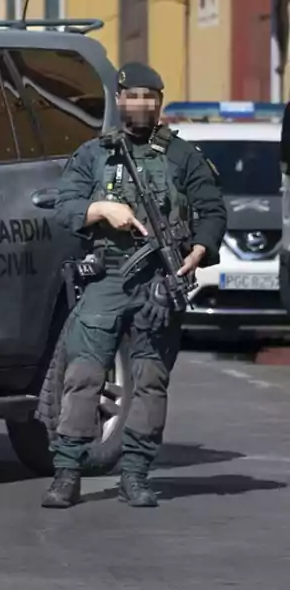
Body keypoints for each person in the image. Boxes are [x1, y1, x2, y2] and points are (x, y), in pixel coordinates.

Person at [43, 62, 226, 509]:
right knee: (83, 375)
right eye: (133, 96)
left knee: (149, 381)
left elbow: (213, 211)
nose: (141, 105)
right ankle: (67, 472)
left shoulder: (183, 156)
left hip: (160, 282)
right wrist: (104, 209)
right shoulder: (95, 154)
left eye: (150, 97)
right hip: (108, 275)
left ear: (159, 103)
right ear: (119, 100)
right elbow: (65, 207)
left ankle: (136, 475)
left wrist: (199, 251)